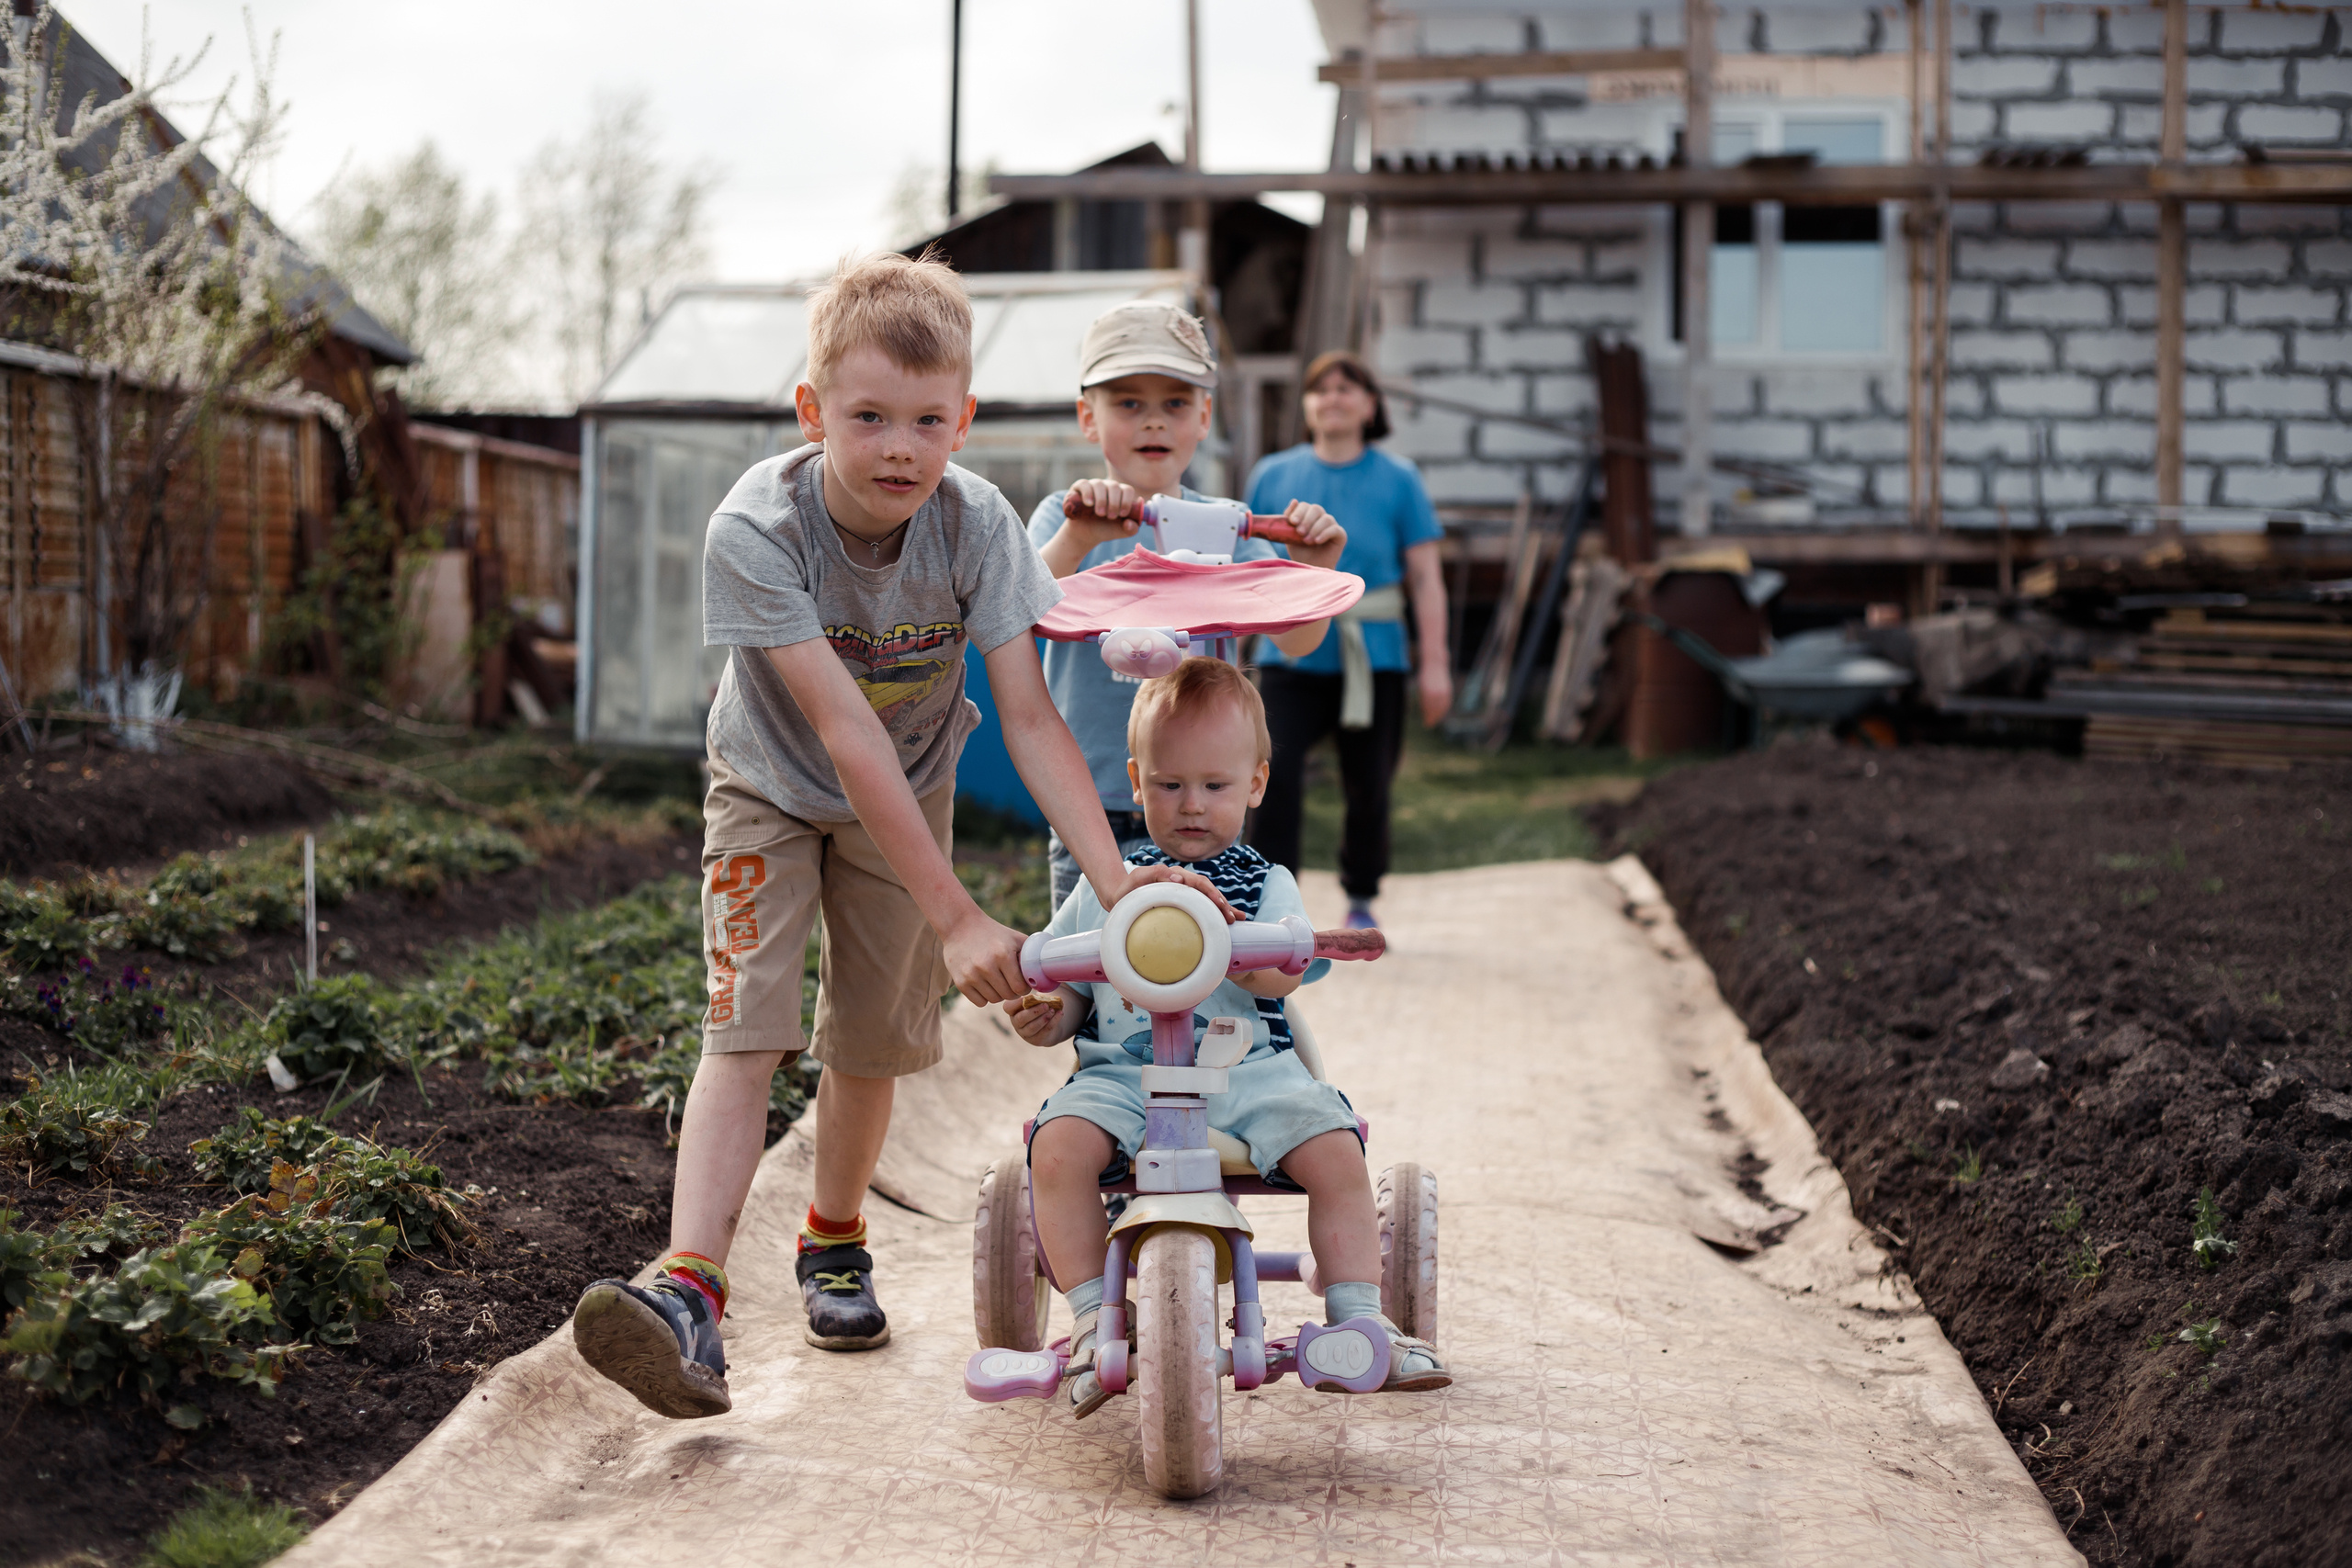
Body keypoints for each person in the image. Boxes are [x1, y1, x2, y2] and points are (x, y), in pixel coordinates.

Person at [569, 252, 1229, 1421]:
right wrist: (960, 914)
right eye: (868, 417)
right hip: (768, 787)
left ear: (964, 421)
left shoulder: (976, 526)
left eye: (929, 422)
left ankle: (832, 1242)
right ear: (812, 410)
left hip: (909, 789)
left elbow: (1027, 717)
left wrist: (1123, 883)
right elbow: (840, 731)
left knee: (871, 1040)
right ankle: (688, 1292)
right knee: (748, 1023)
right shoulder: (755, 529)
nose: (899, 450)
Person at [1004, 657, 1450, 1415]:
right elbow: (1069, 988)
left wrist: (1249, 946)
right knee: (1055, 1146)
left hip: (1249, 1073)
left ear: (1256, 785)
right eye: (1170, 785)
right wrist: (1046, 1011)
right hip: (1126, 1075)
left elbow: (1287, 970)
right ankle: (1090, 1318)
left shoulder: (1265, 880)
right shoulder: (1107, 880)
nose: (1191, 806)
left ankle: (1360, 1321)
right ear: (1137, 782)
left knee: (1337, 1149)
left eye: (1214, 786)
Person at [1028, 299, 1346, 912]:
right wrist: (1081, 536)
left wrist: (1317, 569)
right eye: (1128, 403)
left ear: (1204, 417)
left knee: (1212, 969)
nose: (1154, 422)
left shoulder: (1233, 528)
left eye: (1175, 403)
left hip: (1206, 806)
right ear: (1086, 418)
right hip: (1091, 802)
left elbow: (1297, 641)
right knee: (1089, 970)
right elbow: (1022, 610)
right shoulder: (1063, 517)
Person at [1245, 350, 1452, 931]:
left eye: (1346, 387)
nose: (1332, 397)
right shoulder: (1271, 474)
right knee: (1270, 776)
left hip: (1375, 655)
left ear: (1370, 405)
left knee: (1369, 784)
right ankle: (1271, 903)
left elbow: (1427, 579)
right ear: (1307, 406)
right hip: (1287, 655)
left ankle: (1361, 895)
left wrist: (1435, 664)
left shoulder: (1400, 479)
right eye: (1320, 389)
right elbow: (1249, 567)